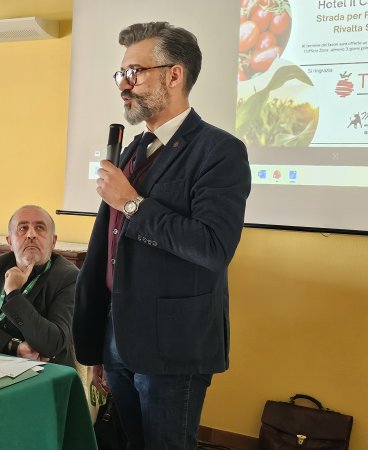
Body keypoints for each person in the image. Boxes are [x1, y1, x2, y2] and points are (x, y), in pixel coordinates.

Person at [72, 22, 251, 449]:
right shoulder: (132, 149)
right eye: (121, 74)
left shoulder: (219, 151)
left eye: (134, 72)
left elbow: (212, 246)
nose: (124, 84)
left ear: (174, 75)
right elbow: (109, 245)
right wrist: (99, 345)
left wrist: (132, 203)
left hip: (174, 346)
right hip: (116, 336)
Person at [0, 205, 77, 366]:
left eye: (40, 228)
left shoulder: (68, 278)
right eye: (23, 228)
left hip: (40, 370)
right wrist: (12, 345)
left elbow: (52, 343)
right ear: (10, 242)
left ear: (53, 241)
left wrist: (13, 294)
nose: (31, 234)